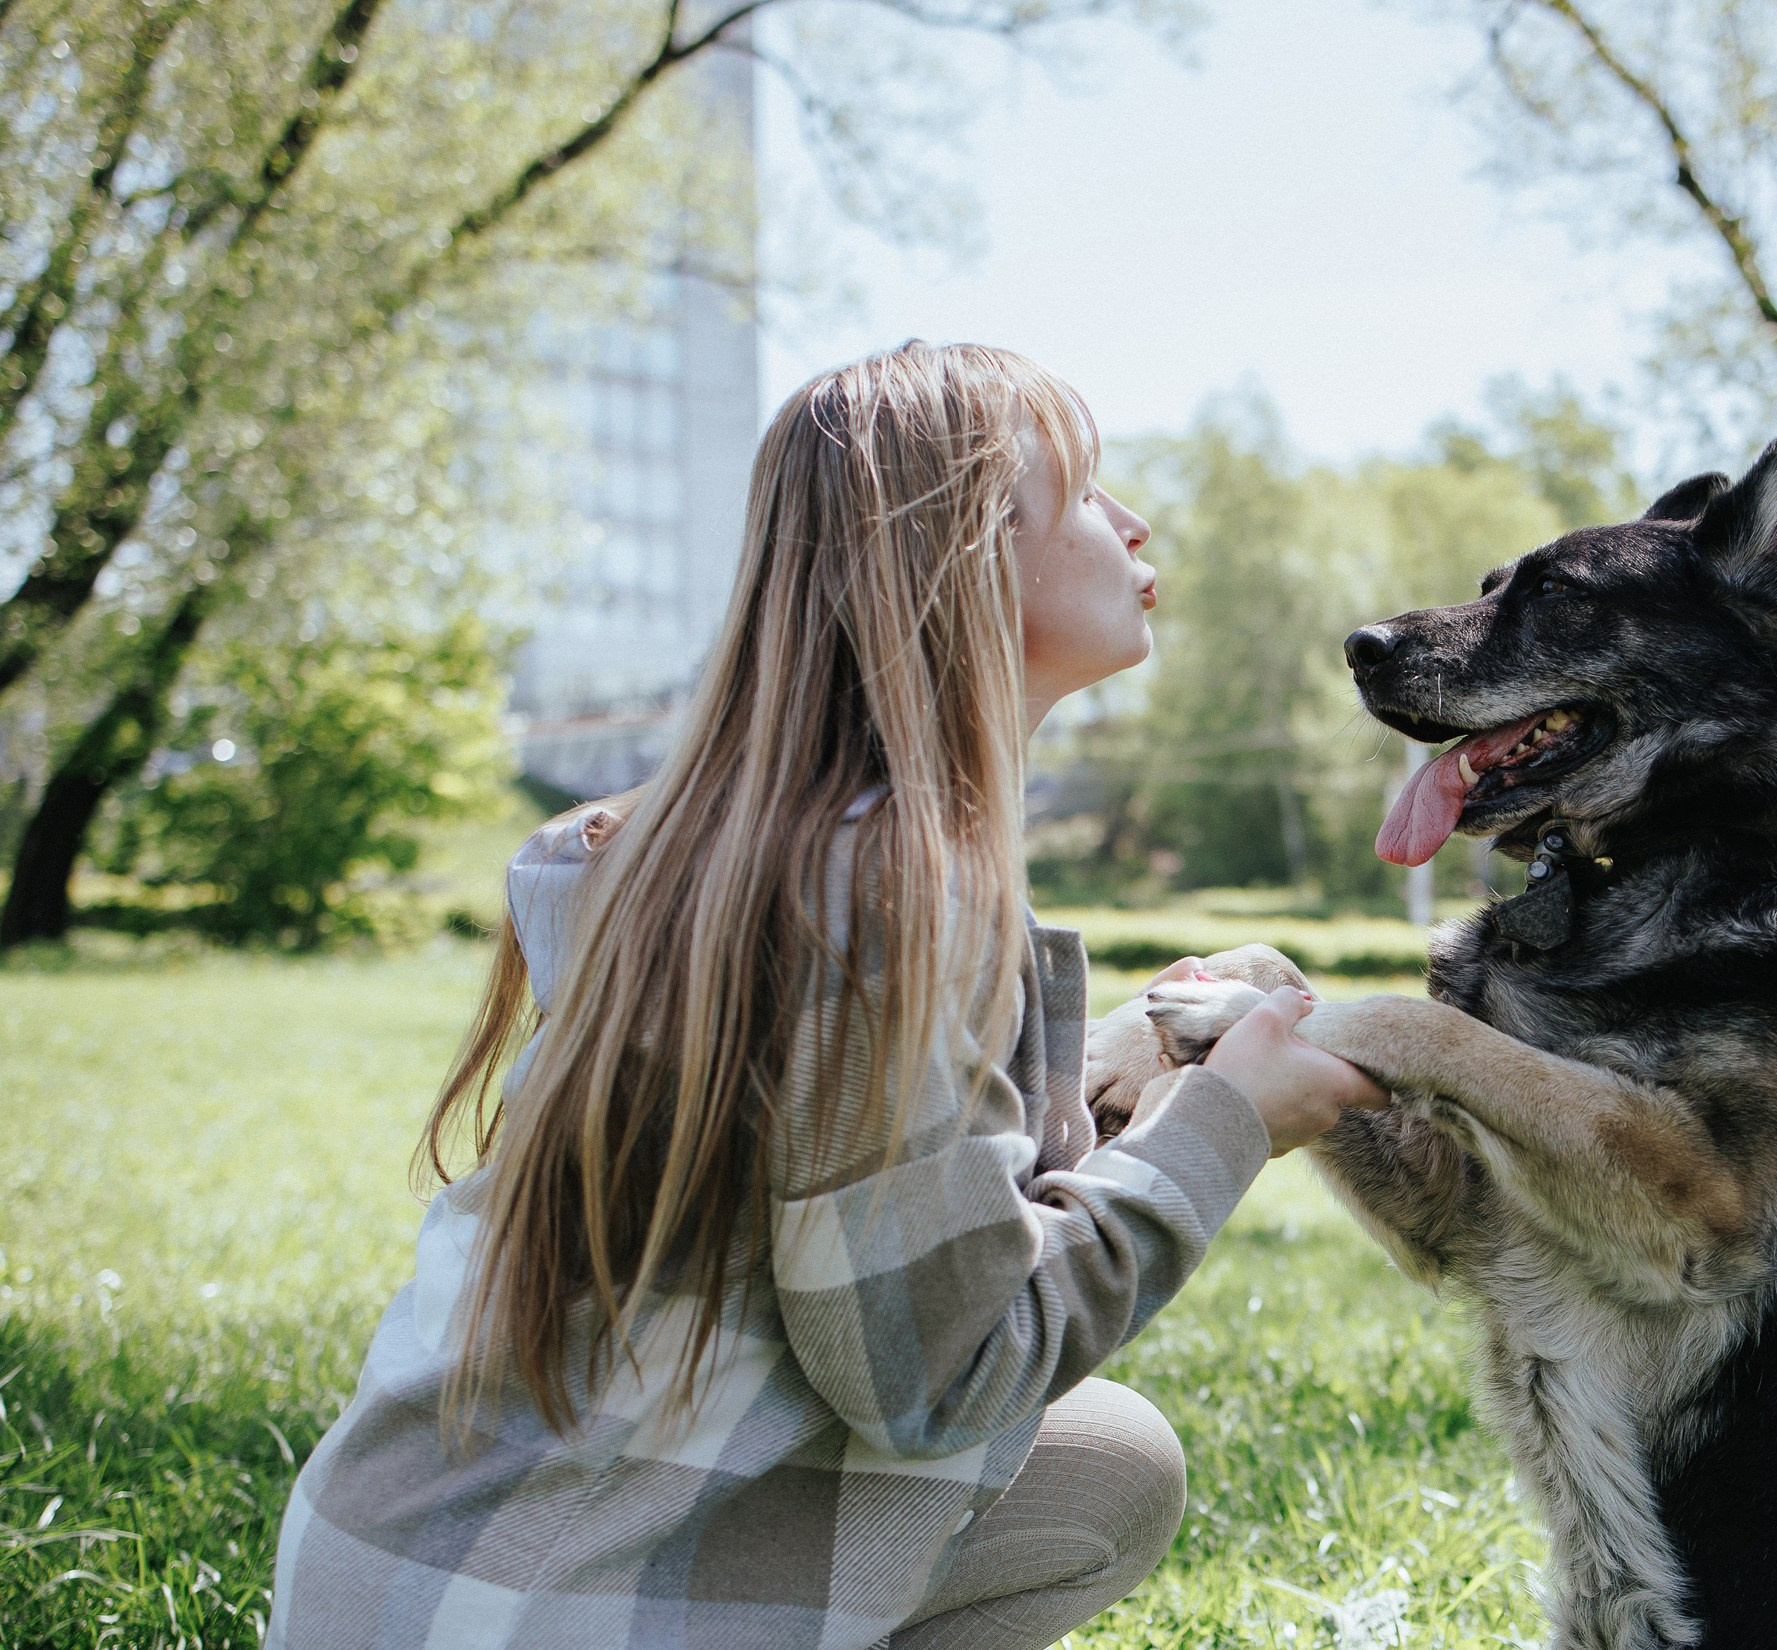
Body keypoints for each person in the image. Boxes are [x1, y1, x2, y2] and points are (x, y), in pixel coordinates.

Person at [268, 342, 1385, 1649]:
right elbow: (941, 1369)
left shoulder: (749, 858)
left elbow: (864, 1187)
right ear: (969, 555)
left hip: (392, 1579)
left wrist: (1126, 1064)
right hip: (531, 1617)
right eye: (1085, 492)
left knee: (1104, 1460)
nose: (1134, 521)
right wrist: (1224, 1125)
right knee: (1070, 1441)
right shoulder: (897, 892)